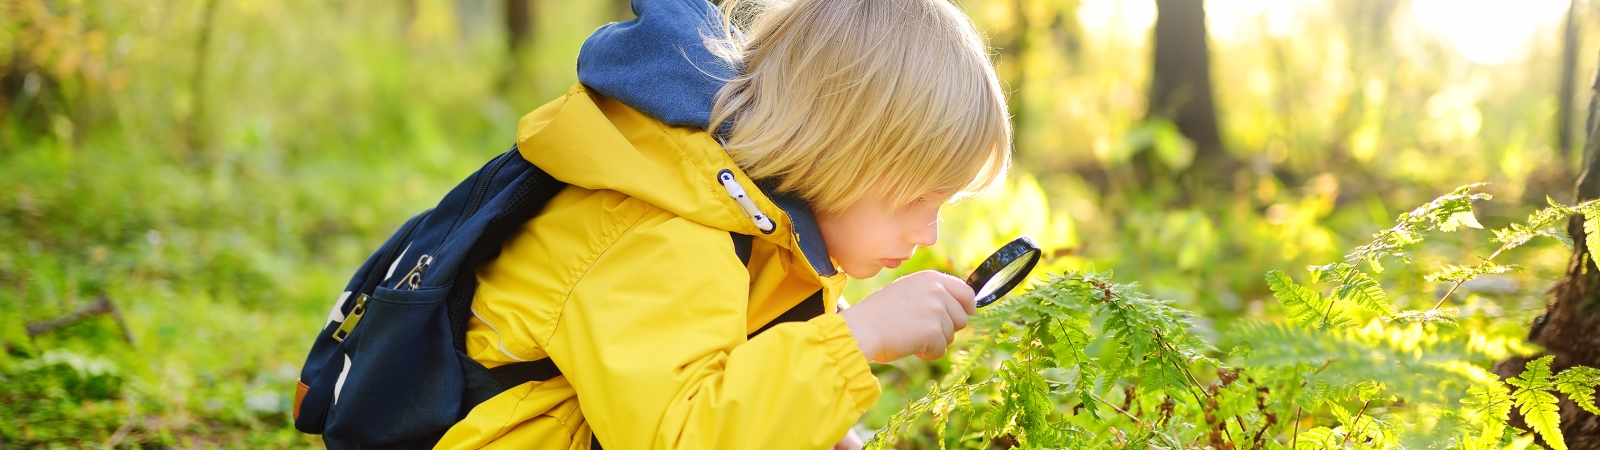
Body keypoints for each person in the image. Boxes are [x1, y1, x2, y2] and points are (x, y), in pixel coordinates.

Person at [435, 0, 1010, 447]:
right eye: (918, 199)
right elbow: (679, 435)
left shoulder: (750, 222)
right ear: (840, 150)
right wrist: (855, 340)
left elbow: (716, 370)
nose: (928, 233)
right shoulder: (666, 228)